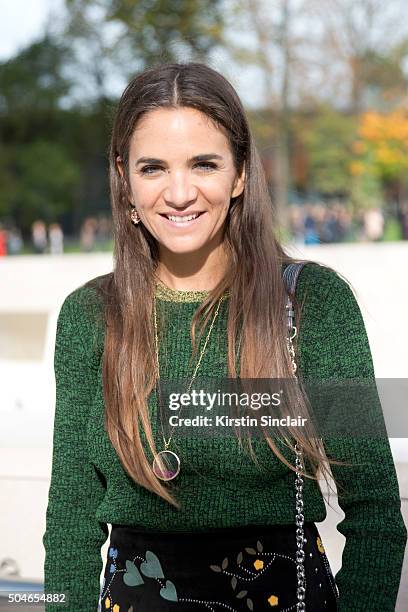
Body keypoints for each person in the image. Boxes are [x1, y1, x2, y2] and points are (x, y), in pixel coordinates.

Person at [42, 62, 406, 612]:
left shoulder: (314, 304)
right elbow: (69, 523)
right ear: (124, 176)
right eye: (154, 167)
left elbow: (378, 512)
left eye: (204, 164)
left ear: (239, 174)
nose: (180, 192)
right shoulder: (90, 316)